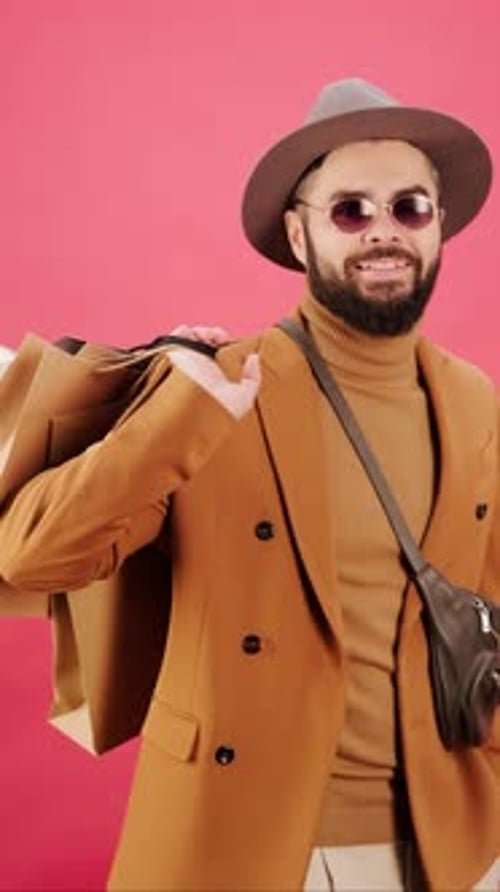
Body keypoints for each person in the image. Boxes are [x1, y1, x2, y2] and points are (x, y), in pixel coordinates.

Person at [0, 78, 498, 891]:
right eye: (350, 211)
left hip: (451, 849)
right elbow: (33, 556)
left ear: (438, 224)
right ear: (299, 234)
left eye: (409, 207)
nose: (384, 230)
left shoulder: (475, 402)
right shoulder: (217, 389)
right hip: (242, 844)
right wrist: (176, 419)